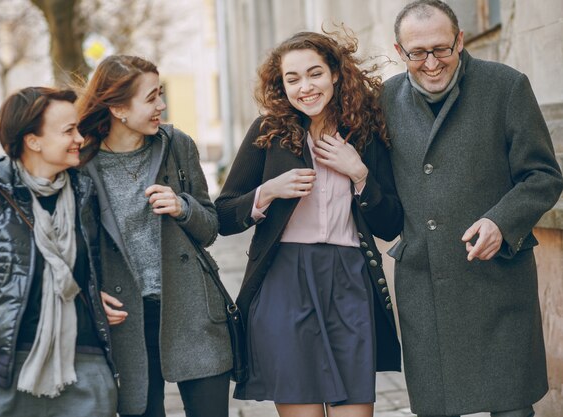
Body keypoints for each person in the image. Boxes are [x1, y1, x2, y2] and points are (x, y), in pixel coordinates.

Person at [381, 1, 563, 416]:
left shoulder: (506, 86)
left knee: (512, 408)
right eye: (417, 53)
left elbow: (544, 175)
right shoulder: (385, 99)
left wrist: (501, 221)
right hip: (425, 282)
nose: (431, 63)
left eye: (442, 49)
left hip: (497, 278)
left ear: (460, 40)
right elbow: (384, 194)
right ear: (399, 51)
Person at [215, 30, 403, 417]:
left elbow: (391, 224)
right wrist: (267, 191)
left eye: (314, 73)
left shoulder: (365, 133)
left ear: (335, 74)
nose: (305, 87)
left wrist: (360, 174)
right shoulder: (268, 132)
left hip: (350, 280)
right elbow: (224, 215)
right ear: (281, 85)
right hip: (284, 282)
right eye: (292, 78)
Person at [0, 87, 118, 417]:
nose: (79, 137)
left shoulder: (83, 193)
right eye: (68, 131)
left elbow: (88, 271)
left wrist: (94, 293)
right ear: (32, 140)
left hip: (82, 368)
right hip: (2, 374)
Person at [76, 55, 232, 417]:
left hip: (192, 309)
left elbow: (210, 228)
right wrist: (89, 290)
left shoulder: (178, 146)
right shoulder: (83, 165)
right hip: (125, 319)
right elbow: (74, 247)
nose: (162, 105)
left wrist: (183, 207)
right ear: (117, 108)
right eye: (151, 98)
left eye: (160, 94)